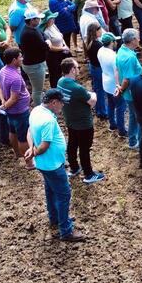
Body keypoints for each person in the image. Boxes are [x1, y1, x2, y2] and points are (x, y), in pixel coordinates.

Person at [27, 88, 86, 242]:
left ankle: (55, 218)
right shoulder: (48, 120)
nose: (62, 107)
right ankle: (66, 231)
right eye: (61, 103)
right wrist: (34, 151)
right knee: (64, 194)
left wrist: (31, 147)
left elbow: (29, 131)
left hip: (43, 164)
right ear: (53, 102)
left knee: (50, 190)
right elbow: (44, 146)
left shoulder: (36, 111)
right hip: (52, 165)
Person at [57, 58, 105, 184]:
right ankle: (89, 174)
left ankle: (74, 168)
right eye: (77, 67)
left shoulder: (60, 82)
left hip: (70, 120)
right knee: (84, 148)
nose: (78, 69)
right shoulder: (77, 88)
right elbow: (92, 102)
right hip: (84, 124)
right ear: (72, 70)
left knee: (72, 144)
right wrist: (93, 94)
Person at [0, 47, 33, 167]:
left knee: (12, 131)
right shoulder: (15, 77)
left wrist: (3, 102)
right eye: (20, 57)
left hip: (11, 112)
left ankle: (17, 153)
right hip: (20, 111)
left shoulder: (3, 70)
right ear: (14, 60)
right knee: (23, 137)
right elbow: (14, 98)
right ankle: (29, 162)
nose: (22, 58)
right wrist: (4, 106)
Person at [114, 29, 142, 149]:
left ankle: (132, 140)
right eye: (138, 37)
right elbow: (127, 79)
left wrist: (118, 85)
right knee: (139, 116)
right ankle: (140, 143)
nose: (139, 39)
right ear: (132, 40)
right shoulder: (129, 57)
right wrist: (121, 87)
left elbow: (116, 69)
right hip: (133, 93)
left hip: (128, 92)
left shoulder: (121, 50)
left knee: (133, 115)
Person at [96, 32, 125, 137]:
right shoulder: (113, 56)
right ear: (112, 42)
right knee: (120, 107)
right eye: (115, 41)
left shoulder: (100, 51)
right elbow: (117, 72)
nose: (116, 43)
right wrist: (119, 85)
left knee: (111, 105)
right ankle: (122, 130)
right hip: (113, 84)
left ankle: (112, 124)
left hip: (106, 82)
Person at [19, 8, 48, 106]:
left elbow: (44, 36)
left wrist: (46, 41)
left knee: (37, 88)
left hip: (34, 63)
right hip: (34, 65)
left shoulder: (32, 29)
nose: (39, 21)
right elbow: (45, 46)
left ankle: (36, 101)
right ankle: (39, 108)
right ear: (32, 20)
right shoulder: (30, 33)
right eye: (37, 19)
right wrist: (48, 42)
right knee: (37, 90)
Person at [83, 23, 108, 120]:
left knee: (97, 89)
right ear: (96, 31)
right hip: (98, 69)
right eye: (100, 29)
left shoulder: (89, 42)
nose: (101, 31)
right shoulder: (97, 45)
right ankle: (102, 111)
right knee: (101, 90)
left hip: (93, 67)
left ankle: (98, 109)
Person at [42, 10, 71, 88]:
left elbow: (60, 36)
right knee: (55, 74)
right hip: (53, 56)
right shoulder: (45, 32)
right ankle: (55, 89)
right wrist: (62, 48)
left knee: (62, 71)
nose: (53, 20)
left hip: (61, 52)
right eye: (51, 18)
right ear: (47, 20)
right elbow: (50, 48)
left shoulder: (53, 26)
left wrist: (65, 45)